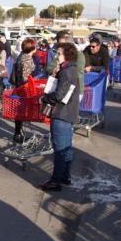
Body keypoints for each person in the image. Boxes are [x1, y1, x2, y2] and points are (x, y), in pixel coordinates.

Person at [39, 42, 82, 192]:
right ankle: (64, 176)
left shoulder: (67, 71)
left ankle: (56, 180)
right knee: (66, 148)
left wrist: (44, 98)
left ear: (66, 55)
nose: (56, 56)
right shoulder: (70, 69)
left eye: (59, 53)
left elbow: (59, 95)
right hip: (68, 113)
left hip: (62, 114)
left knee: (60, 149)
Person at [10, 38, 38, 144]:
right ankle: (18, 135)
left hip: (19, 87)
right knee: (21, 112)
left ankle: (18, 134)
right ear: (32, 47)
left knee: (19, 113)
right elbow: (25, 77)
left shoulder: (21, 56)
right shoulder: (27, 58)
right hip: (23, 89)